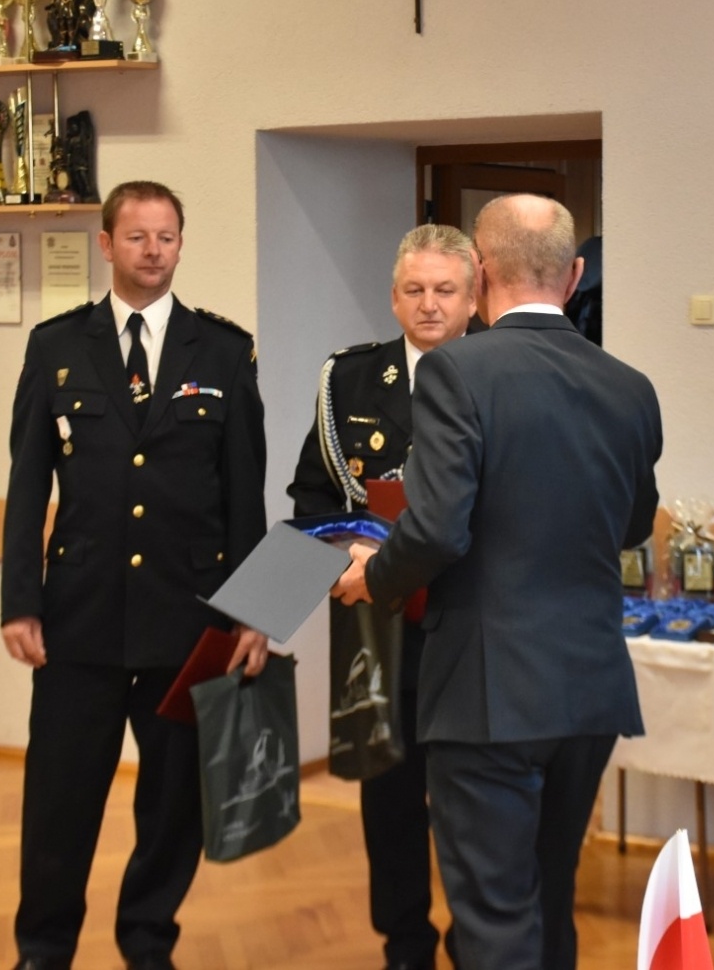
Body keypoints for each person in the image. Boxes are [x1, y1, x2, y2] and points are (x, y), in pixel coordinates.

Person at [332, 194, 662, 970]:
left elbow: (440, 527)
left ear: (479, 274)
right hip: (588, 682)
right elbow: (637, 525)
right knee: (551, 895)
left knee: (493, 912)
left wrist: (373, 578)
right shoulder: (628, 383)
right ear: (576, 274)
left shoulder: (458, 370)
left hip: (488, 687)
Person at [0, 179, 270, 970]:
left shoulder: (223, 350)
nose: (154, 251)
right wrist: (20, 599)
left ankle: (148, 940)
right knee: (59, 800)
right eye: (138, 236)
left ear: (181, 244)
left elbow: (244, 494)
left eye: (167, 237)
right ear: (106, 243)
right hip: (78, 619)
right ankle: (43, 948)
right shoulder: (57, 345)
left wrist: (253, 612)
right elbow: (27, 486)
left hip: (189, 622)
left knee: (175, 802)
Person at [286, 222, 478, 970]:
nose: (429, 305)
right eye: (414, 290)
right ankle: (403, 943)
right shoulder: (351, 379)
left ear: (474, 295)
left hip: (470, 621)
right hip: (378, 621)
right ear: (393, 297)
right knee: (388, 797)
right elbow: (312, 495)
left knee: (468, 794)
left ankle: (475, 939)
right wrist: (324, 567)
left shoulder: (500, 370)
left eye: (445, 290)